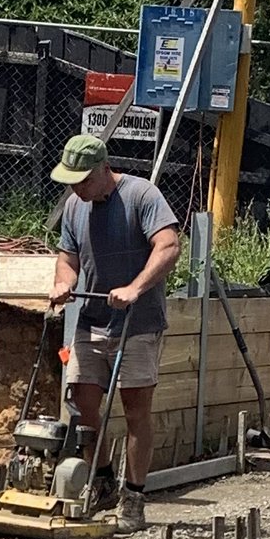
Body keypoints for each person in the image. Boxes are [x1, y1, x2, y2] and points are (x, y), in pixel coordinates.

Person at [46, 132, 181, 518]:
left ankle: (134, 496)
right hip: (93, 321)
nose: (78, 188)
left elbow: (169, 245)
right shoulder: (75, 207)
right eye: (72, 181)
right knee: (82, 401)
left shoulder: (142, 196)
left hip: (138, 323)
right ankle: (103, 481)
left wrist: (135, 287)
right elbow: (67, 258)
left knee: (135, 409)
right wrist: (64, 284)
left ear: (106, 168)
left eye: (84, 180)